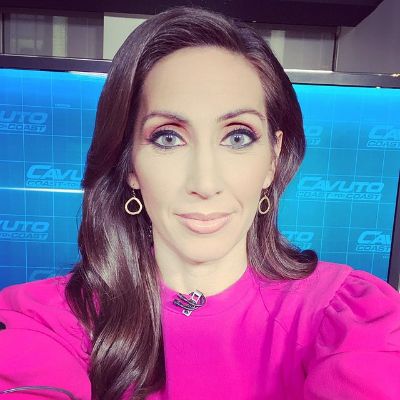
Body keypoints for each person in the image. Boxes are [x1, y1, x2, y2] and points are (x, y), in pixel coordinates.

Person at [1, 5, 400, 400]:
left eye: (238, 136)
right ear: (130, 164)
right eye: (168, 137)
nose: (205, 184)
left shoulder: (353, 317)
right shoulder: (47, 320)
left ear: (273, 159)